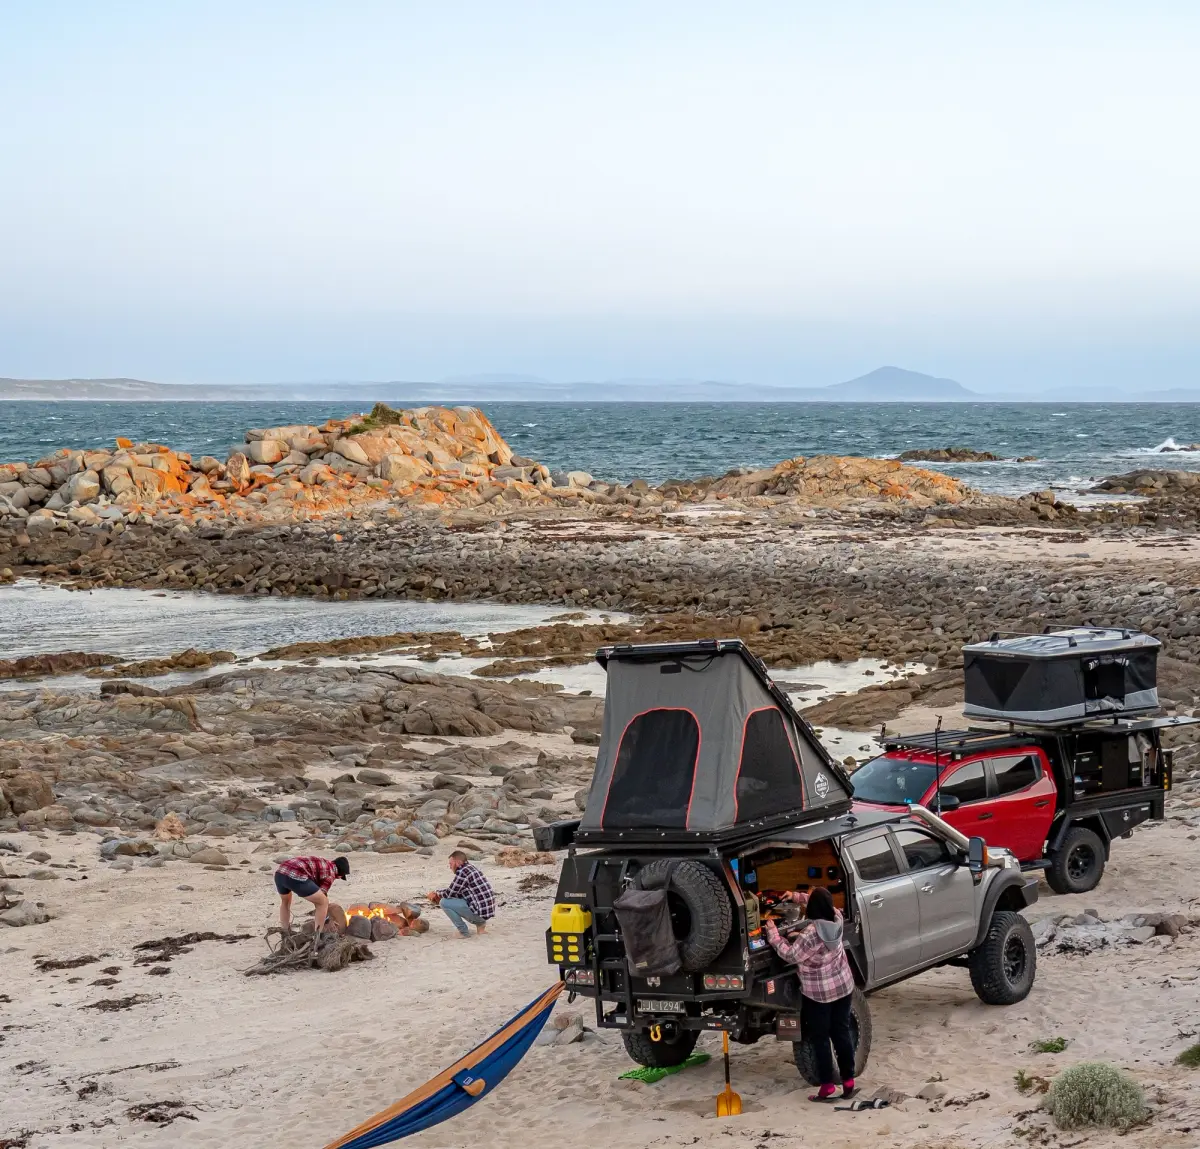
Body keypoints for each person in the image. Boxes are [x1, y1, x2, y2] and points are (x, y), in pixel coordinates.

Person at [765, 886, 857, 1102]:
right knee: (841, 1032)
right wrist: (797, 896)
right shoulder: (837, 919)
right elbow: (824, 904)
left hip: (819, 995)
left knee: (821, 1038)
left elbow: (790, 955)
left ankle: (827, 1086)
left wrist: (773, 934)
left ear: (813, 910)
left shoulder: (810, 934)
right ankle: (848, 1080)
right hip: (843, 987)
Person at [274, 854, 349, 936]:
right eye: (339, 877)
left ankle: (285, 932)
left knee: (285, 902)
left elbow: (317, 893)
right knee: (323, 902)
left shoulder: (324, 863)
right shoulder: (331, 873)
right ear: (340, 874)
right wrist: (327, 920)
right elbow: (322, 897)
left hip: (280, 873)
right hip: (295, 875)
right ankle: (319, 936)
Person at [427, 851, 496, 938]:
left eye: (451, 863)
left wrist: (436, 893)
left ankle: (463, 932)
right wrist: (438, 893)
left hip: (480, 913)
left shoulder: (463, 872)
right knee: (454, 898)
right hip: (486, 912)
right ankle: (481, 926)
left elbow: (450, 893)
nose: (450, 867)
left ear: (458, 862)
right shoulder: (470, 868)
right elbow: (456, 892)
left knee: (444, 902)